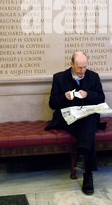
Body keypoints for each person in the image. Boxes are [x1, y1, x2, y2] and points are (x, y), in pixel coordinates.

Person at [45, 51, 106, 195]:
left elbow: (101, 98)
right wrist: (65, 97)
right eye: (79, 68)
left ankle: (84, 164)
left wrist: (88, 94)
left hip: (87, 117)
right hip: (68, 118)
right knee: (87, 129)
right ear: (71, 64)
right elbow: (52, 103)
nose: (83, 71)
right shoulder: (59, 78)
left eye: (85, 67)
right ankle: (87, 173)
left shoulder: (93, 76)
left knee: (89, 120)